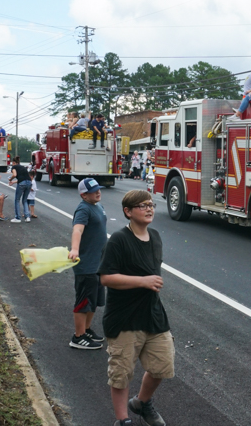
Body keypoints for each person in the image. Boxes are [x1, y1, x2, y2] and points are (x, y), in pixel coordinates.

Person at [98, 190, 173, 426]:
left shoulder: (156, 236)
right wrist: (143, 281)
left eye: (150, 204)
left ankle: (141, 402)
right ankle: (123, 420)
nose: (149, 209)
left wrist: (149, 282)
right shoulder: (119, 240)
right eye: (142, 206)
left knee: (163, 366)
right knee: (121, 375)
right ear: (128, 212)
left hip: (153, 314)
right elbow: (106, 278)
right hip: (124, 317)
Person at [68, 178, 108, 350]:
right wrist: (75, 249)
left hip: (99, 264)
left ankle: (87, 329)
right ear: (84, 195)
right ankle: (78, 337)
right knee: (84, 301)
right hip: (87, 265)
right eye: (94, 190)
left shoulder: (98, 206)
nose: (98, 192)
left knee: (95, 300)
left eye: (99, 189)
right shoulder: (83, 209)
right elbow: (77, 229)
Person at [9, 156, 32, 223]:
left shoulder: (14, 167)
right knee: (25, 200)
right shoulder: (23, 167)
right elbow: (24, 178)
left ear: (13, 162)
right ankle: (27, 217)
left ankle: (17, 217)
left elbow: (15, 175)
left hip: (21, 183)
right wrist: (14, 182)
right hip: (29, 182)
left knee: (17, 200)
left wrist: (10, 179)